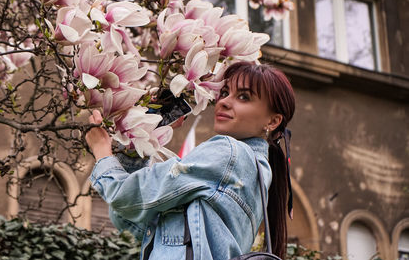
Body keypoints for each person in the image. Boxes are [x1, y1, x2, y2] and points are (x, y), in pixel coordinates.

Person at [85, 61, 295, 260]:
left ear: (273, 121)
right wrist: (145, 133)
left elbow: (126, 197)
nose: (224, 102)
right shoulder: (256, 174)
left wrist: (102, 152)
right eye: (224, 92)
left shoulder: (230, 153)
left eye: (244, 97)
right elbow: (132, 219)